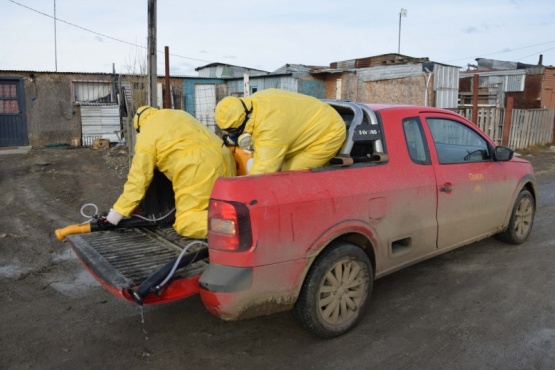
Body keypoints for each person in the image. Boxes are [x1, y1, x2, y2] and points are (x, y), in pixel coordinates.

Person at [106, 106, 236, 239]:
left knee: (186, 222)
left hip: (196, 166)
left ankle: (234, 226)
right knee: (220, 207)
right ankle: (244, 218)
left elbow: (139, 177)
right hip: (225, 157)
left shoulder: (147, 132)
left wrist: (119, 211)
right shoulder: (179, 114)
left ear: (139, 126)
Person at [215, 88, 346, 175]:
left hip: (328, 131)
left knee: (291, 174)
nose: (234, 136)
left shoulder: (269, 130)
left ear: (245, 118)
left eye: (234, 132)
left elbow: (263, 172)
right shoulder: (254, 101)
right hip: (315, 117)